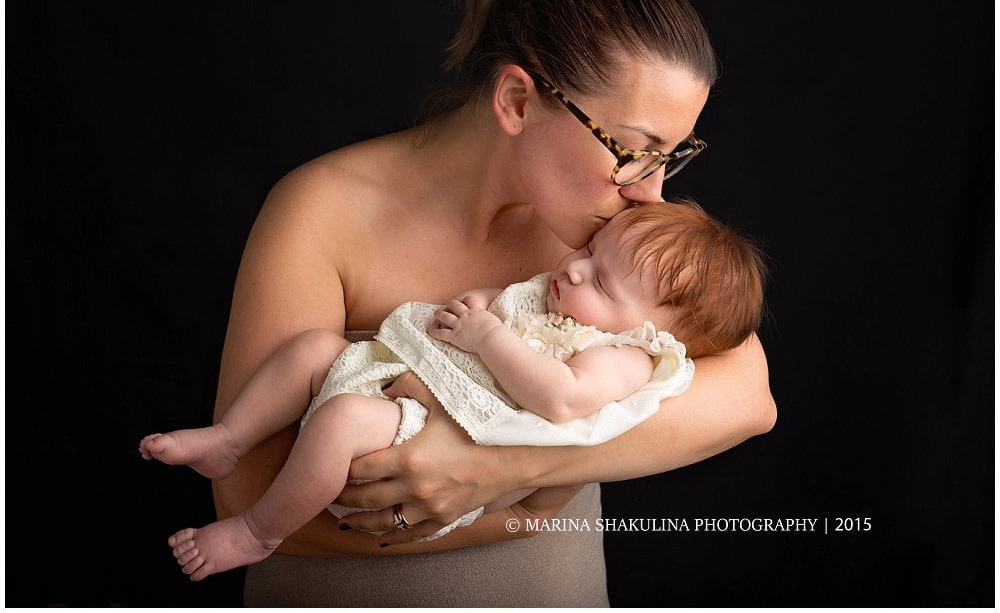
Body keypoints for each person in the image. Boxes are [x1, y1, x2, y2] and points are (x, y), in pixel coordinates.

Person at [210, 0, 775, 606]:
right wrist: (511, 510)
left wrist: (505, 463)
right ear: (516, 100)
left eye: (668, 158)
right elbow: (249, 495)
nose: (651, 194)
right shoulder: (323, 210)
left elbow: (749, 393)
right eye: (632, 151)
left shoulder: (608, 237)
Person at [140, 200, 766, 581]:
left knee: (343, 422)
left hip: (436, 428)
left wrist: (489, 337)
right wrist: (481, 305)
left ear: (648, 331)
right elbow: (507, 303)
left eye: (601, 280)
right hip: (394, 370)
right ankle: (229, 438)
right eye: (590, 251)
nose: (574, 267)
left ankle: (257, 533)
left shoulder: (619, 358)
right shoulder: (566, 297)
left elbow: (561, 397)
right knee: (309, 350)